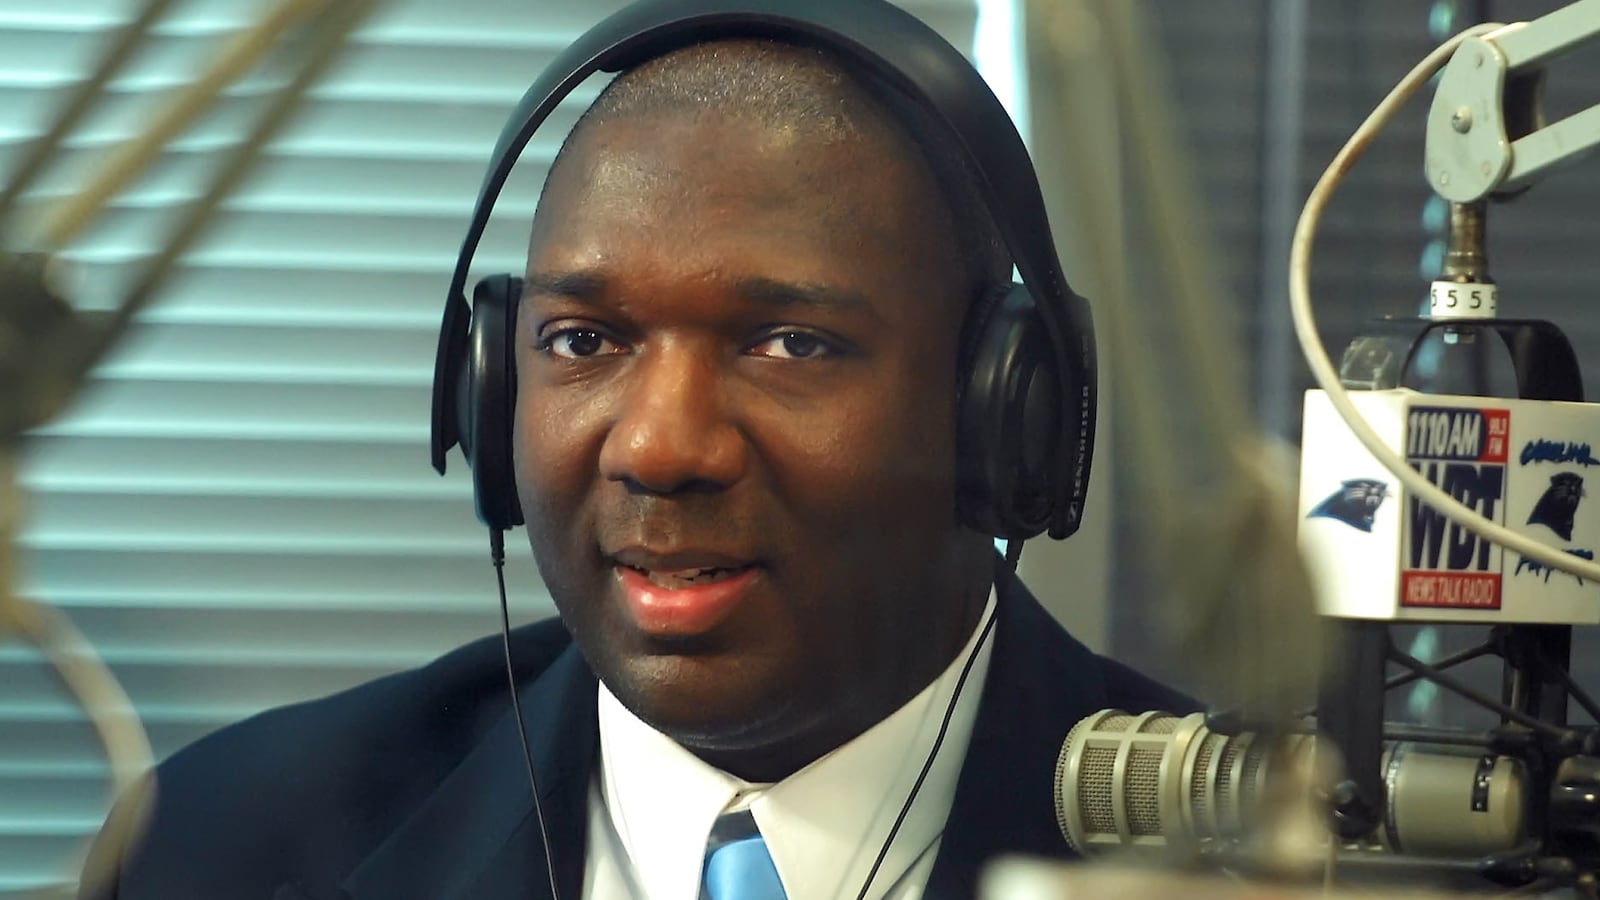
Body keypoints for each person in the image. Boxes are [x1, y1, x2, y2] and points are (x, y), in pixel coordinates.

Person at [80, 11, 1196, 900]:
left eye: (789, 344)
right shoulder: (215, 843)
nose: (662, 448)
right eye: (584, 340)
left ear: (1001, 414)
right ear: (491, 383)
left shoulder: (1256, 859)